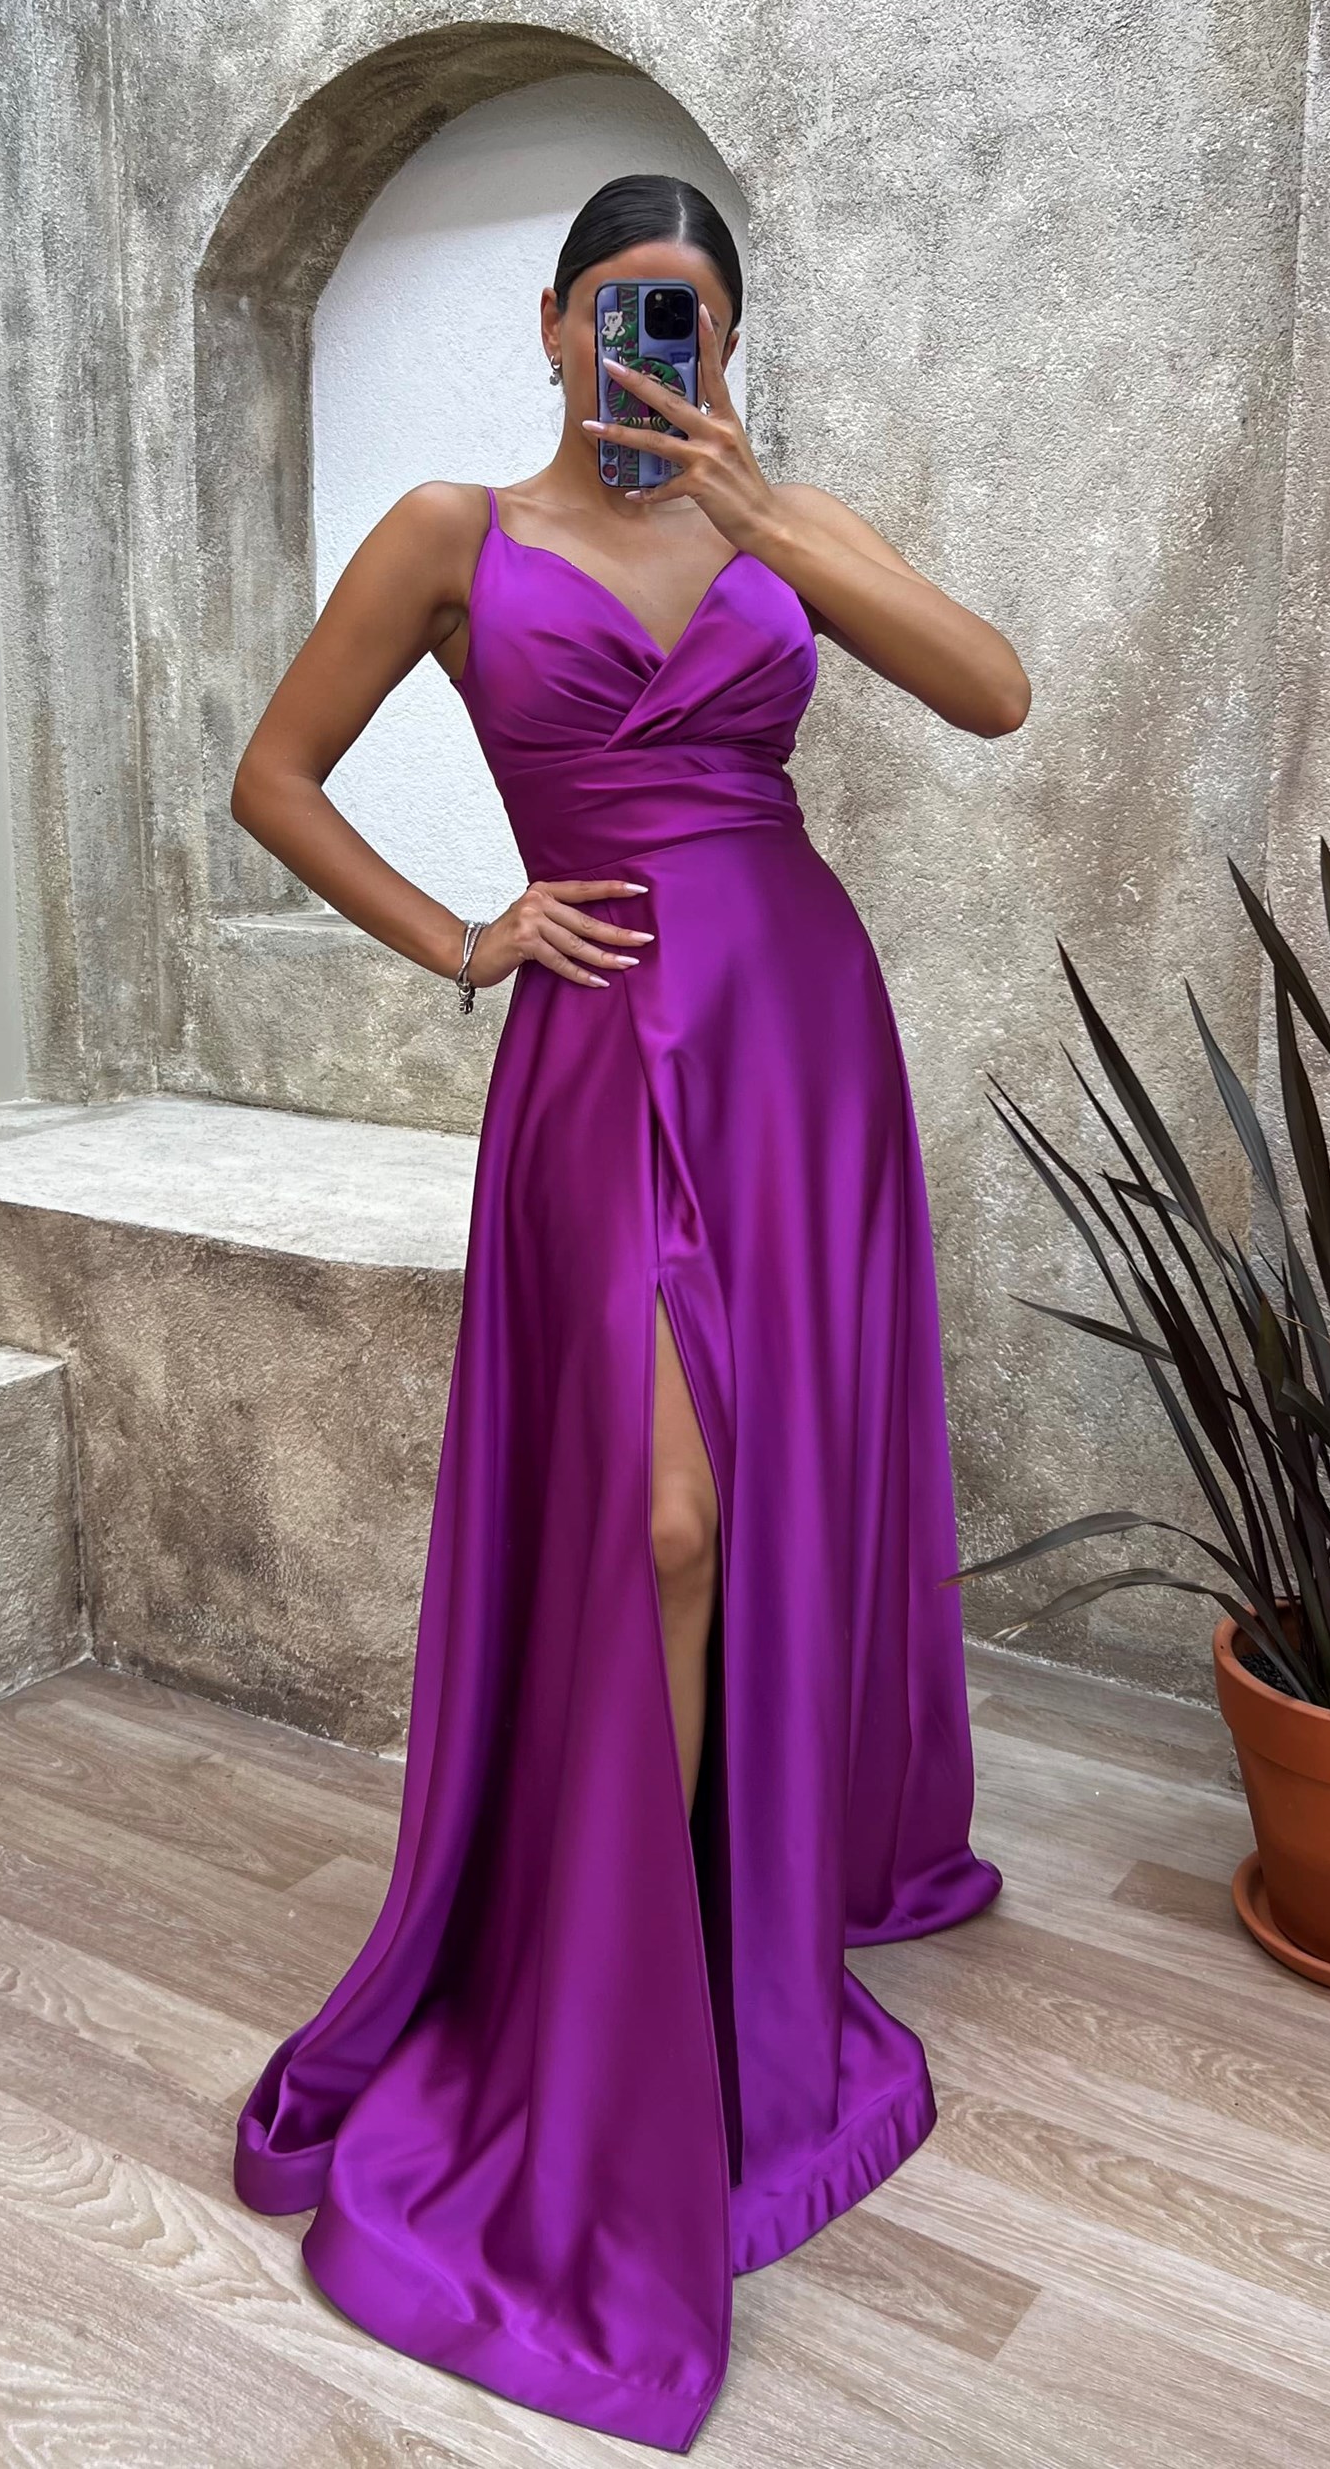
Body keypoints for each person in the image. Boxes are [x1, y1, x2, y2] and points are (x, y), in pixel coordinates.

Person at [230, 172, 1032, 2451]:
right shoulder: (450, 533)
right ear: (554, 321)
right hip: (600, 1052)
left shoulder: (780, 525)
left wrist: (772, 518)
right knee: (662, 1520)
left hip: (796, 1047)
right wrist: (466, 936)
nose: (643, 349)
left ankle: (720, 1897)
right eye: (616, 308)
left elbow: (993, 693)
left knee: (763, 1497)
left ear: (724, 344)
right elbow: (272, 778)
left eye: (687, 317)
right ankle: (614, 1979)